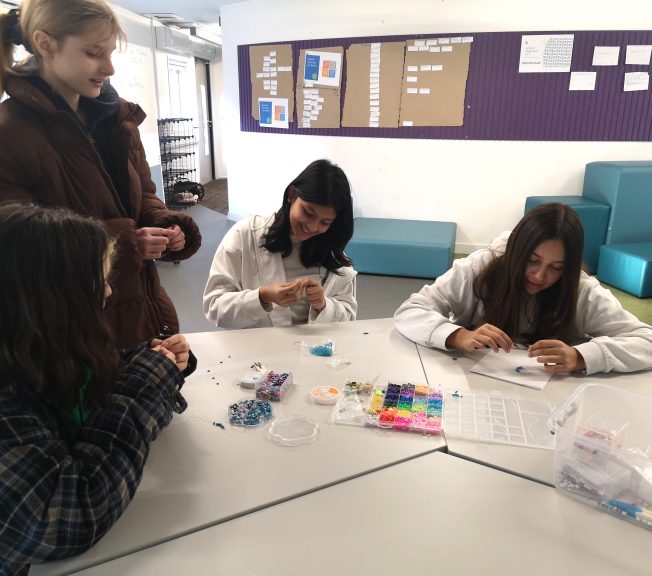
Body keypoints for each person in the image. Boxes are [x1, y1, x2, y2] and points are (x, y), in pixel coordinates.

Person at [0, 205, 195, 574]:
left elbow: (91, 389)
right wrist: (144, 384)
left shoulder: (39, 350)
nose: (108, 292)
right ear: (51, 303)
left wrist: (147, 363)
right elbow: (70, 515)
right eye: (99, 282)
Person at [0, 0, 201, 349]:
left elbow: (143, 197)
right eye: (94, 53)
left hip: (142, 306)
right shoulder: (10, 133)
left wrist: (165, 225)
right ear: (46, 43)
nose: (109, 68)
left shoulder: (117, 119)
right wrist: (126, 242)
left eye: (110, 53)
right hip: (74, 331)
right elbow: (22, 251)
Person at [394, 203, 652, 375]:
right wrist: (458, 335)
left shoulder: (581, 290)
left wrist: (581, 356)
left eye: (557, 267)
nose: (541, 276)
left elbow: (646, 340)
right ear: (516, 251)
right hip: (464, 381)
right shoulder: (480, 268)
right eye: (532, 261)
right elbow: (409, 311)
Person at [204, 159, 357, 329]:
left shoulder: (333, 251)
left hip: (314, 351)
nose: (312, 226)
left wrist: (323, 305)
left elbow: (348, 317)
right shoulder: (245, 235)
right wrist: (263, 297)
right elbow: (215, 308)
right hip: (257, 350)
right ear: (292, 195)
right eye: (308, 213)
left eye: (325, 222)